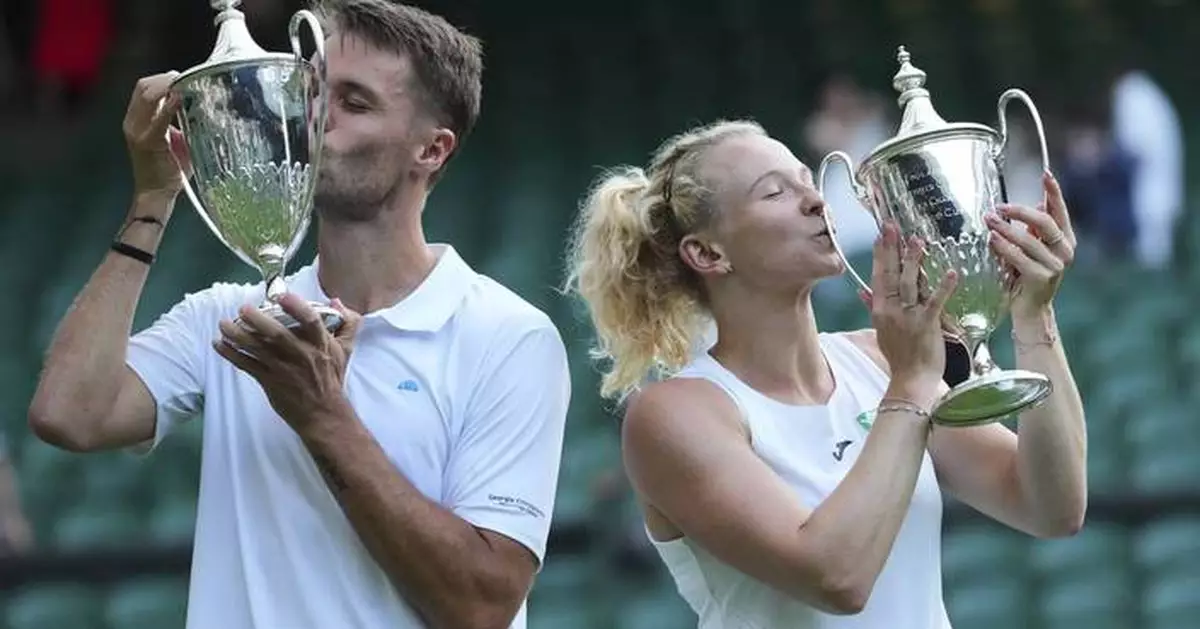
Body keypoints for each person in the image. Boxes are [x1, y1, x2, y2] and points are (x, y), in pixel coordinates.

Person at [28, 2, 571, 628]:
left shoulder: (508, 336)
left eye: (355, 103)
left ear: (432, 149)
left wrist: (320, 414)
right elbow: (68, 413)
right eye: (312, 92)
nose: (316, 118)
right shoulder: (231, 316)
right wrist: (153, 199)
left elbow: (481, 606)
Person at [564, 119, 1086, 628]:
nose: (816, 201)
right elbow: (836, 577)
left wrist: (1033, 314)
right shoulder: (674, 413)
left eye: (807, 181)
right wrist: (909, 385)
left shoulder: (879, 361)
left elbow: (1051, 507)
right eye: (774, 194)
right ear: (706, 253)